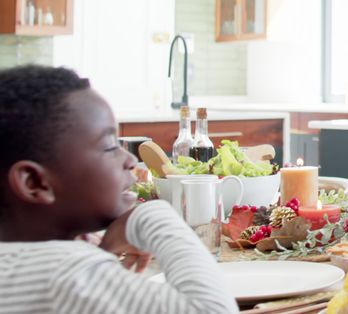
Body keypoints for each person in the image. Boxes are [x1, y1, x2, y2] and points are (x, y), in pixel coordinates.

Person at [0, 65, 237, 314]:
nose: (129, 160)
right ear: (34, 183)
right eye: (109, 146)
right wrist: (150, 216)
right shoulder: (66, 273)